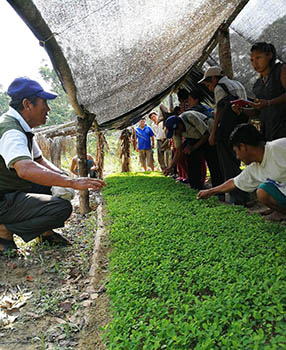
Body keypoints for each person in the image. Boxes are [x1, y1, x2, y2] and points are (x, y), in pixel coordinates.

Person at [0, 77, 106, 254]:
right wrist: (71, 183)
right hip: (3, 197)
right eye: (44, 103)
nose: (48, 109)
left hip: (9, 190)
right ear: (27, 104)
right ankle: (4, 230)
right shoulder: (11, 131)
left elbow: (40, 160)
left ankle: (44, 231)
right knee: (60, 208)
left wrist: (67, 178)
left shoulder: (22, 127)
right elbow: (25, 169)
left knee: (51, 183)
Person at [197, 123, 286, 220]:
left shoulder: (279, 147)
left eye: (236, 151)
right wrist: (210, 192)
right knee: (262, 192)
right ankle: (282, 213)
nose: (237, 157)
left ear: (243, 147)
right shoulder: (254, 167)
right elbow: (234, 182)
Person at [198, 66, 250, 205]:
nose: (209, 87)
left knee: (228, 166)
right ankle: (246, 196)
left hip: (226, 131)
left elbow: (219, 112)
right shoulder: (237, 84)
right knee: (237, 162)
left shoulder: (219, 87)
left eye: (208, 84)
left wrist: (213, 133)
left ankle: (237, 198)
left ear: (214, 79)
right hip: (240, 128)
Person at [163, 101, 223, 191]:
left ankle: (219, 191)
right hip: (193, 138)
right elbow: (178, 151)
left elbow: (205, 135)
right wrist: (170, 167)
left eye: (176, 131)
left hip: (208, 135)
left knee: (213, 163)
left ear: (179, 125)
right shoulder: (176, 132)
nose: (176, 134)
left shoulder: (190, 117)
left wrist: (193, 147)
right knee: (192, 161)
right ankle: (196, 188)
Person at [250, 42, 286, 141]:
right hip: (270, 134)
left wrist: (269, 103)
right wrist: (242, 110)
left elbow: (267, 104)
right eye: (252, 60)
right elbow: (258, 112)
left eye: (258, 58)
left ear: (269, 55)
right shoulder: (258, 84)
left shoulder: (281, 70)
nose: (254, 64)